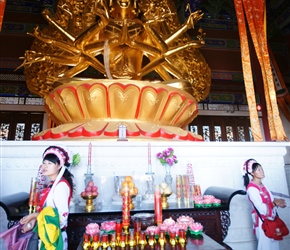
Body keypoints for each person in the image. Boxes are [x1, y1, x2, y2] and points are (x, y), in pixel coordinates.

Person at [20, 146, 74, 250]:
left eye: (50, 163)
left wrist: (35, 215)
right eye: (44, 163)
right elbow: (46, 211)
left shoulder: (60, 186)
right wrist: (34, 221)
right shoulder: (51, 185)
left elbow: (61, 217)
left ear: (59, 166)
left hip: (55, 238)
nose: (45, 166)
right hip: (46, 235)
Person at [242, 158, 287, 250]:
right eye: (258, 170)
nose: (262, 171)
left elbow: (270, 199)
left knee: (274, 245)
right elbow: (260, 207)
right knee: (265, 246)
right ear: (252, 173)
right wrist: (274, 203)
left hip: (271, 219)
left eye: (261, 168)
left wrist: (278, 203)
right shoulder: (252, 188)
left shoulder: (262, 185)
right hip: (262, 221)